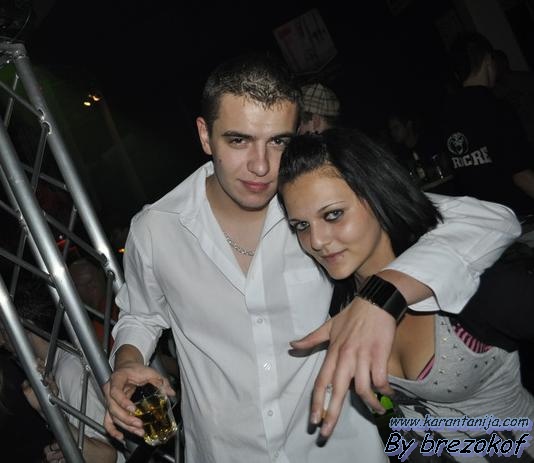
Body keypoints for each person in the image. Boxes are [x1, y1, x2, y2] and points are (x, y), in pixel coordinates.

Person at [103, 51, 520, 462]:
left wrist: (382, 295)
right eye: (239, 140)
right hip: (224, 450)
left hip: (339, 447)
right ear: (204, 135)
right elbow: (141, 315)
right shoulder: (156, 229)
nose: (261, 166)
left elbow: (490, 220)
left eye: (278, 141)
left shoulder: (316, 207)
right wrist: (127, 359)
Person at [277, 128, 534, 462]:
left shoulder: (466, 284)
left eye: (333, 214)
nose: (317, 241)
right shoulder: (338, 305)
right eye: (301, 226)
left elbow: (488, 220)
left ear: (376, 195)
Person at [2, 276, 124, 463]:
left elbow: (106, 457)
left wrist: (48, 409)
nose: (1, 341)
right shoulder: (54, 367)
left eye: (3, 332)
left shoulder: (69, 368)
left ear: (26, 327)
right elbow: (82, 444)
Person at [441, 31, 534, 218]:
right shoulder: (497, 108)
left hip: (481, 220)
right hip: (516, 217)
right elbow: (521, 175)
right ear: (488, 61)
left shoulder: (445, 114)